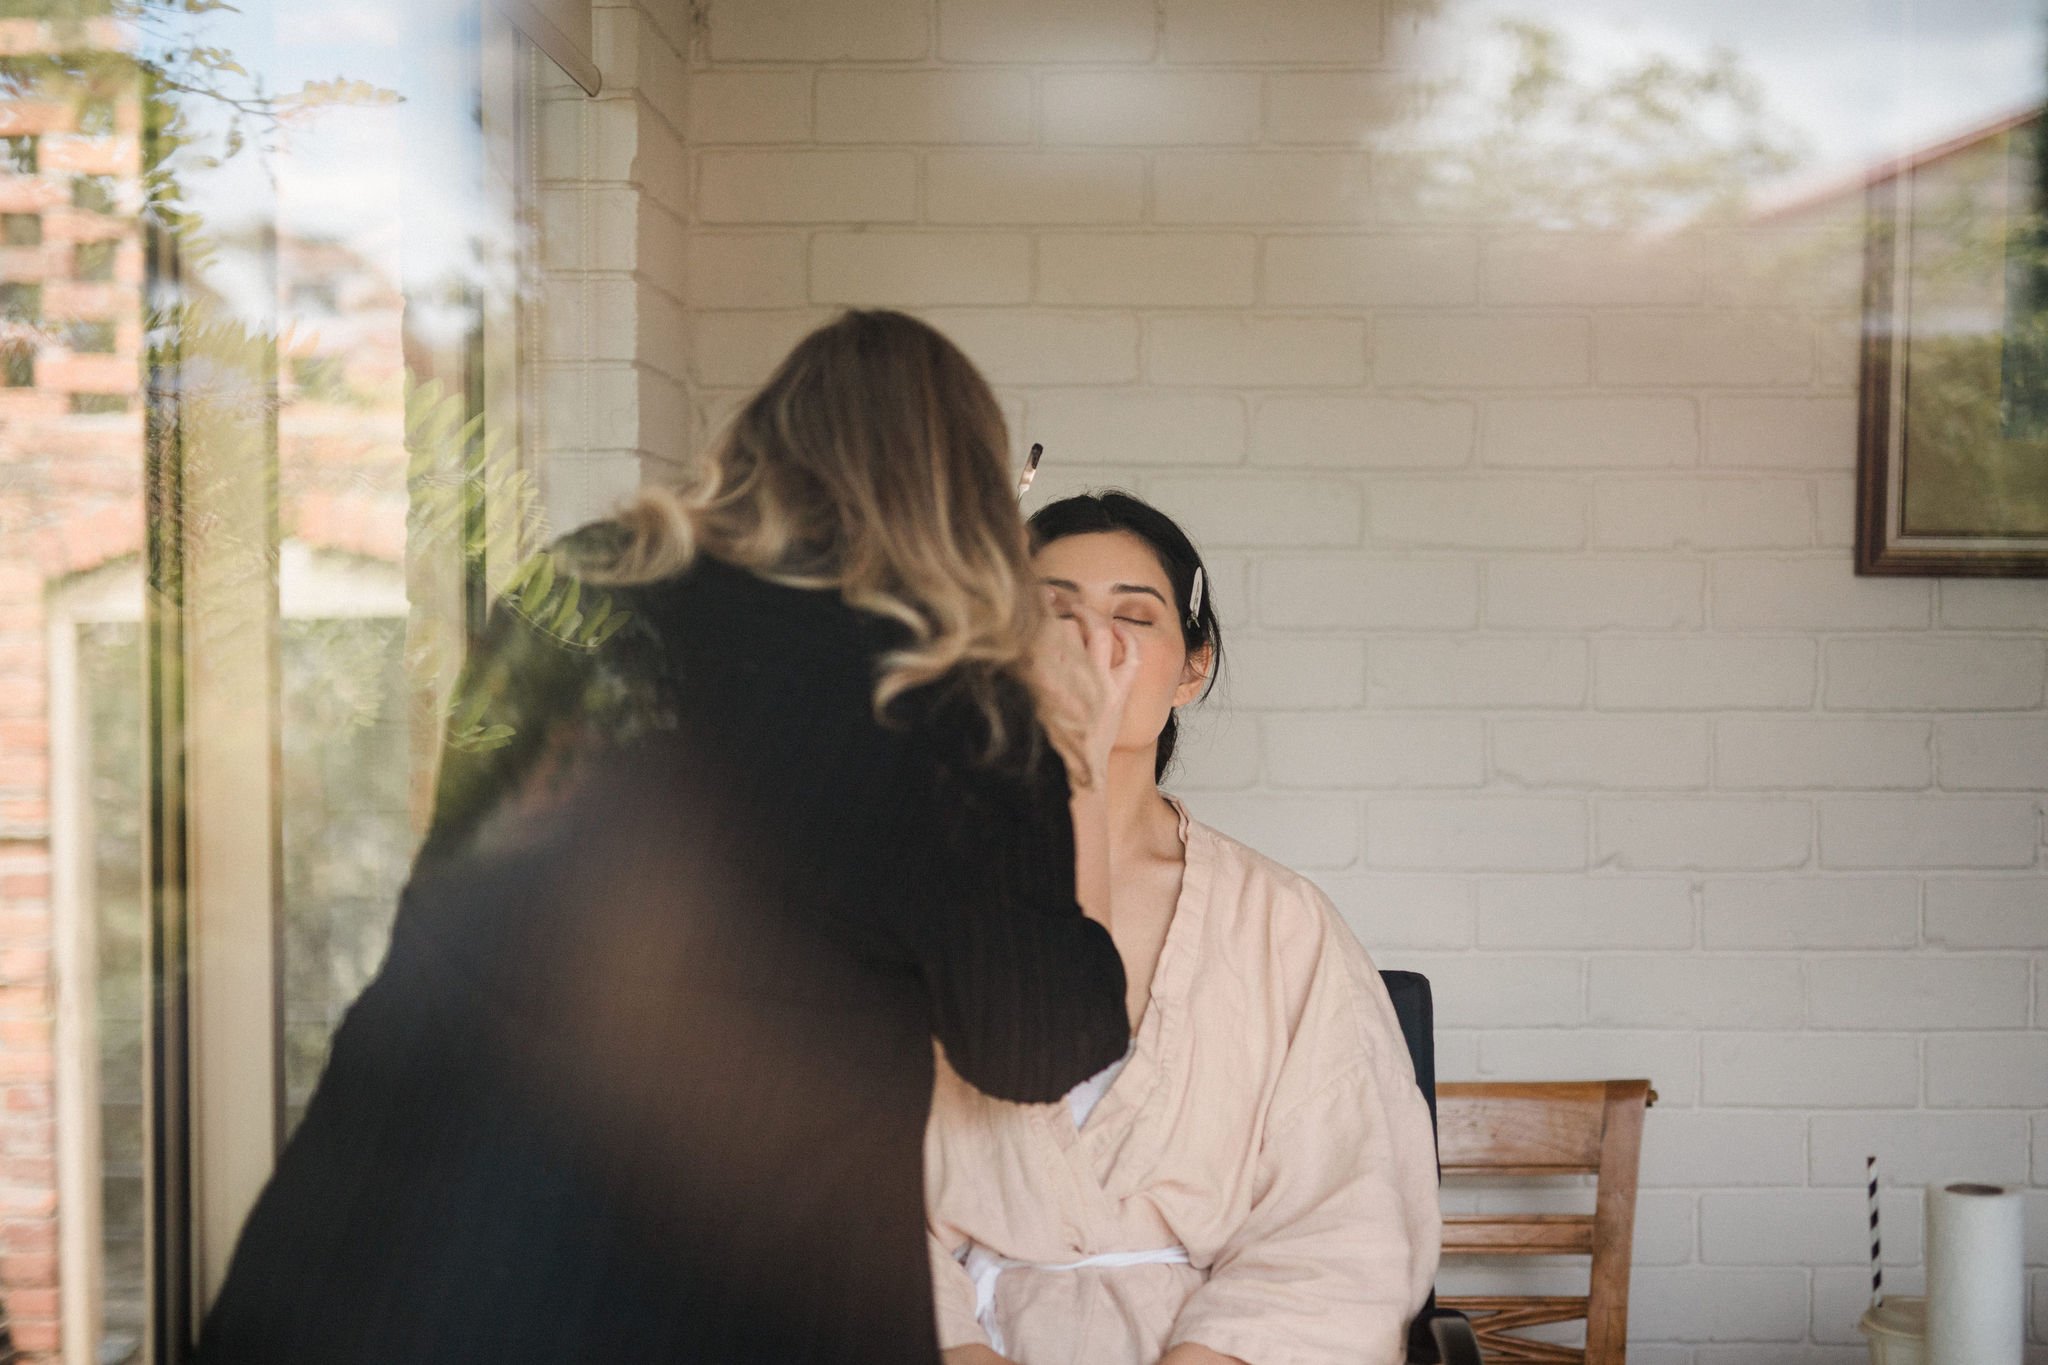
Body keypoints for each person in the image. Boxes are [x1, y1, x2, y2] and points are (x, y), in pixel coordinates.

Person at [197, 311, 1138, 1365]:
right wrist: (1079, 765)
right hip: (721, 1281)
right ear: (964, 494)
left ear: (758, 449)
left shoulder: (576, 593)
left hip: (395, 1231)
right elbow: (1035, 1040)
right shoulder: (950, 697)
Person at [926, 492, 1441, 1365]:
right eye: (1053, 614)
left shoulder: (1284, 924)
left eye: (1134, 614)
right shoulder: (909, 902)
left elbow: (1347, 1221)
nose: (1096, 645)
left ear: (1190, 668)